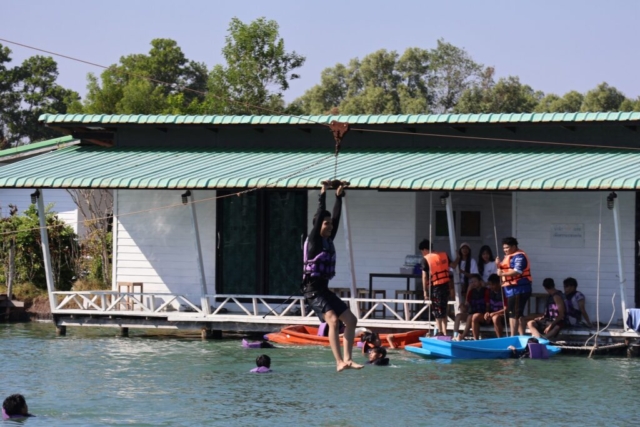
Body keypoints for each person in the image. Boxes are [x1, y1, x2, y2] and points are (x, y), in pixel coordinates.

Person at [301, 181, 362, 372]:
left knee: (351, 320)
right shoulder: (314, 241)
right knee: (333, 321)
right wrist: (323, 193)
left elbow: (336, 216)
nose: (330, 226)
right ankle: (338, 362)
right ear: (318, 225)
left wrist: (338, 196)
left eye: (330, 224)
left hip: (323, 290)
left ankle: (348, 359)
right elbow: (321, 214)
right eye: (326, 224)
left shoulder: (328, 239)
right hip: (312, 292)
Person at [496, 237, 532, 336]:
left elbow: (517, 271)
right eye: (504, 248)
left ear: (514, 246)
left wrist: (502, 274)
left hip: (519, 289)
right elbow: (505, 269)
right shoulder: (509, 257)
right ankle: (521, 335)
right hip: (511, 289)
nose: (505, 250)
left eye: (507, 247)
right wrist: (498, 264)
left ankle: (512, 337)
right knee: (518, 314)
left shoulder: (519, 256)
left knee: (513, 314)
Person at [419, 239, 452, 336]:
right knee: (444, 309)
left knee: (437, 310)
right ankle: (445, 332)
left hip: (435, 287)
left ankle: (440, 332)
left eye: (422, 251)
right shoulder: (444, 255)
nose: (422, 253)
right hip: (445, 286)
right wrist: (458, 257)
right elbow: (453, 265)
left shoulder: (425, 259)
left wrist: (425, 292)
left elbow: (424, 276)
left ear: (425, 249)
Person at [454, 274, 489, 341]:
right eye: (472, 282)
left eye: (475, 281)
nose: (473, 283)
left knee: (471, 316)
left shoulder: (486, 291)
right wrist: (463, 306)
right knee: (458, 316)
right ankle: (455, 335)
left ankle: (462, 336)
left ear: (480, 282)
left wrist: (487, 314)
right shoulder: (471, 292)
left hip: (482, 314)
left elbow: (488, 305)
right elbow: (466, 307)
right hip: (472, 313)